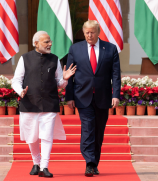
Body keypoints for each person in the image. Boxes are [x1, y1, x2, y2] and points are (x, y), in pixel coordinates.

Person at [12, 31, 76, 178]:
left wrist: (65, 79)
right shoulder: (25, 58)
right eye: (46, 42)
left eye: (50, 41)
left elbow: (59, 83)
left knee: (47, 135)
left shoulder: (55, 59)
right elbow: (16, 80)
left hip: (49, 103)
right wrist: (20, 91)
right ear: (36, 43)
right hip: (29, 104)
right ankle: (36, 162)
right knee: (31, 135)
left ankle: (44, 166)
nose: (50, 44)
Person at [65, 20, 121, 177]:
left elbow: (115, 74)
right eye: (87, 32)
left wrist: (116, 94)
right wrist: (69, 96)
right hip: (83, 96)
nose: (89, 35)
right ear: (83, 33)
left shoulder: (110, 48)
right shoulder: (75, 49)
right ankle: (89, 162)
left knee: (99, 131)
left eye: (92, 32)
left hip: (103, 96)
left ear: (98, 32)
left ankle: (94, 163)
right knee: (88, 127)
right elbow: (69, 75)